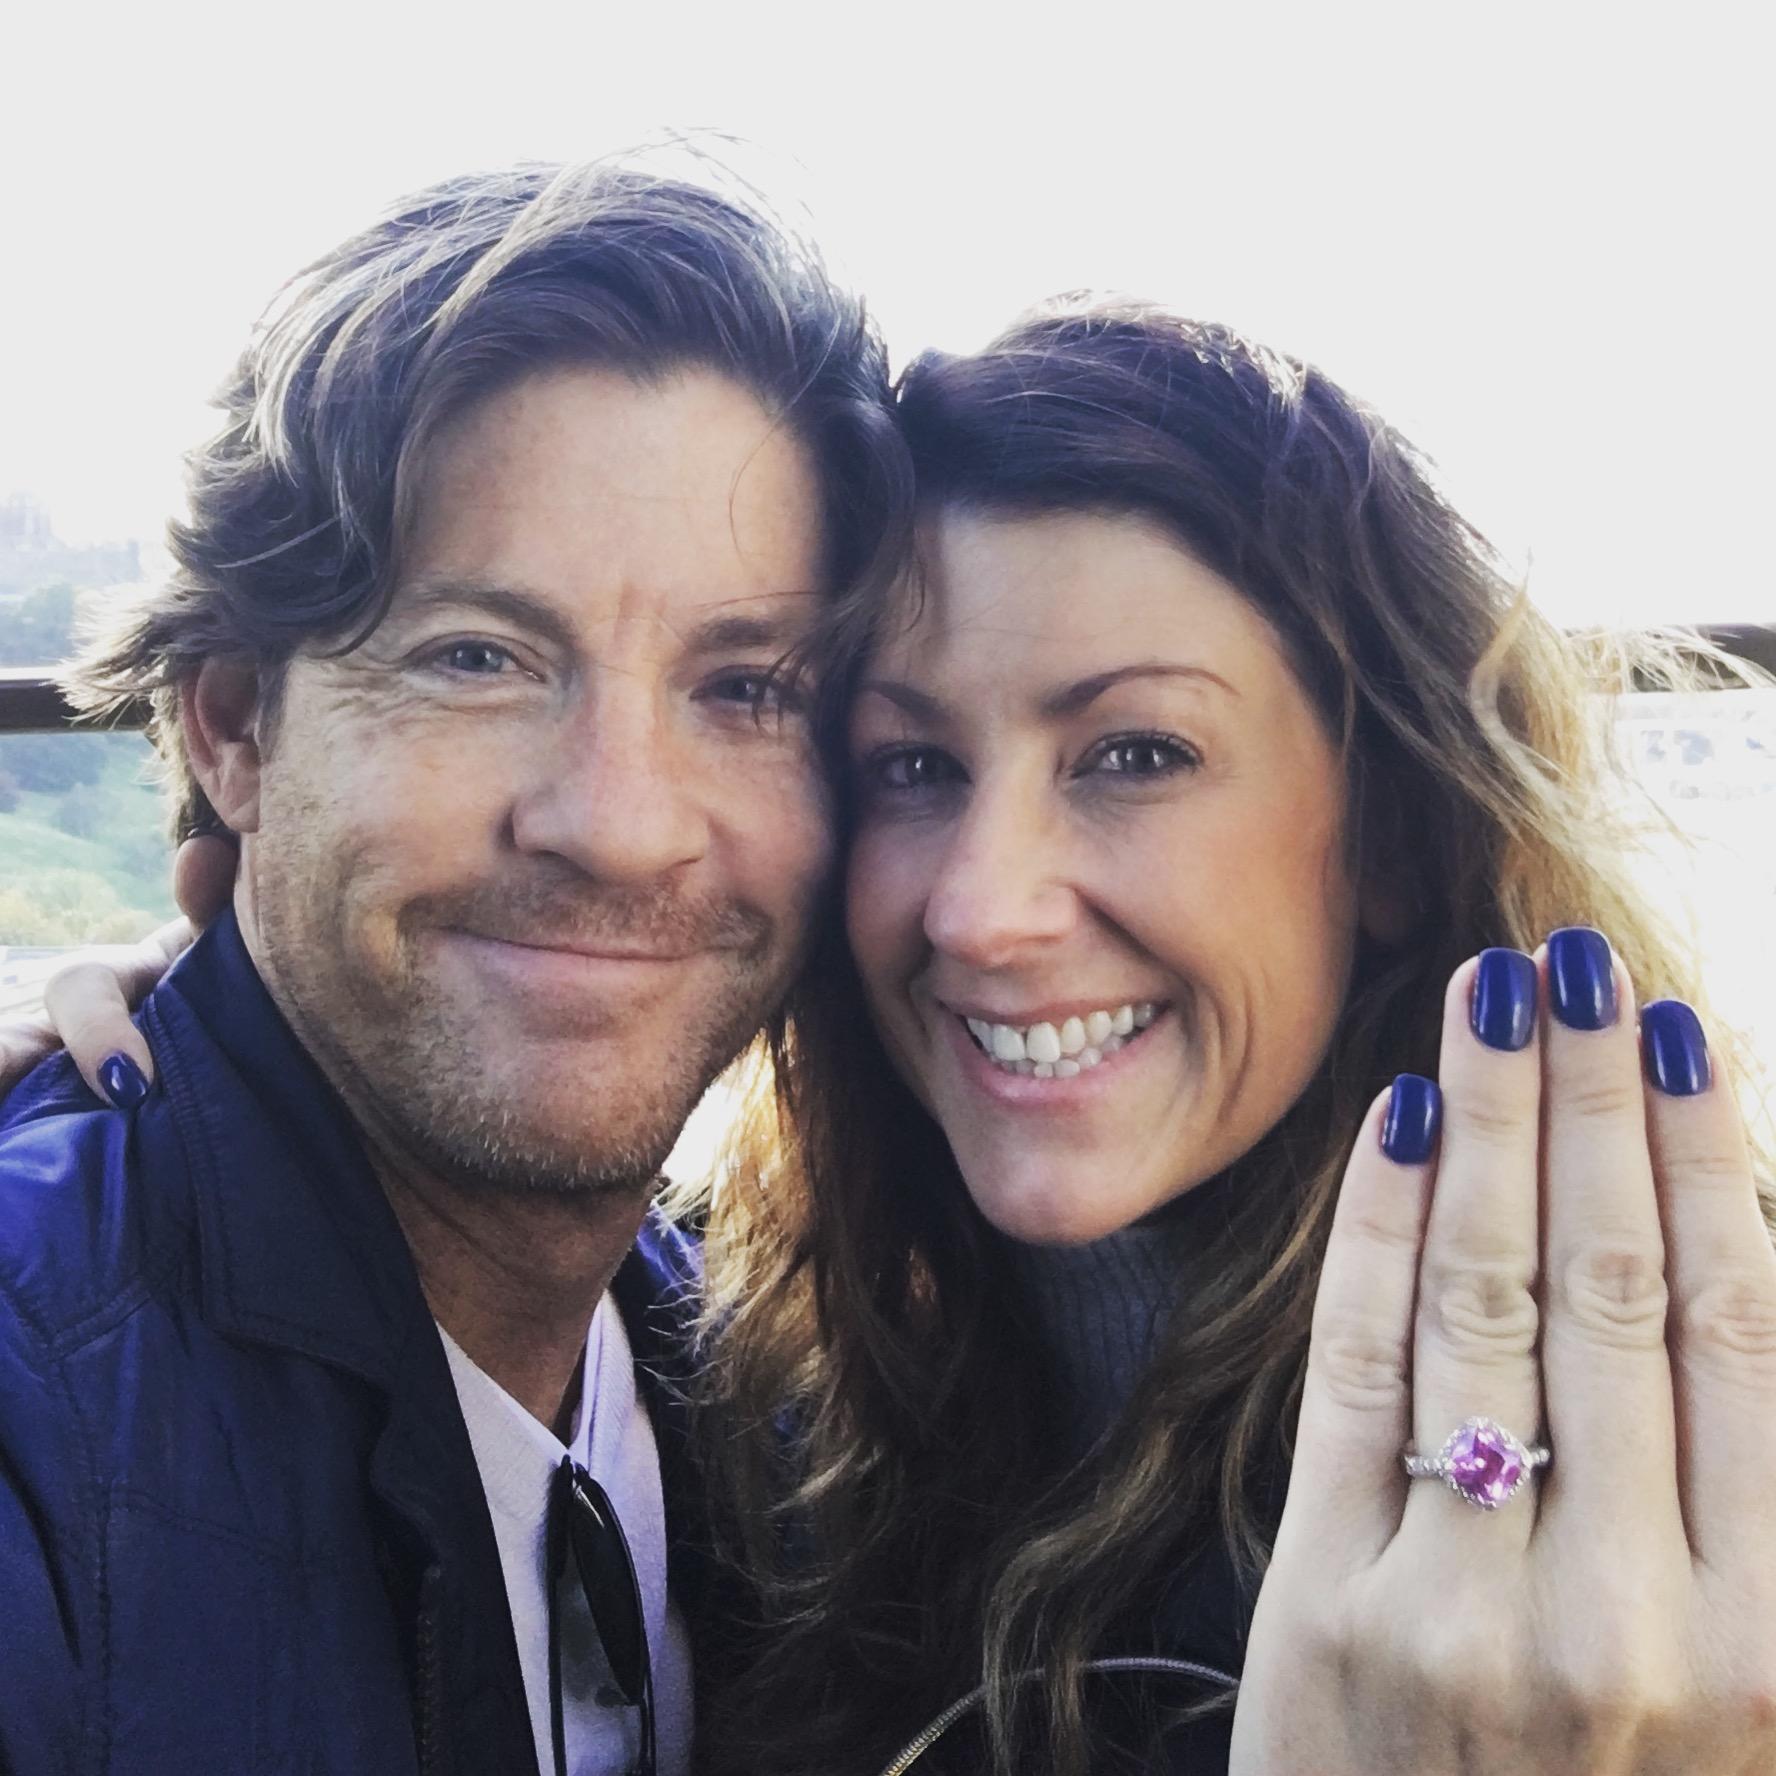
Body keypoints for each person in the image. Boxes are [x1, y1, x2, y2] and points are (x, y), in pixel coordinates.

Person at [12, 304, 1775, 1776]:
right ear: (238, 736)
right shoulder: (792, 1389)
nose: (981, 908)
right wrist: (245, 989)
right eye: (914, 765)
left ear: (1387, 836)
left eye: (1134, 754)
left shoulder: (1662, 1539)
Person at [0, 159, 908, 1776]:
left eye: (749, 686)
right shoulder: (36, 1423)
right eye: (478, 658)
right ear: (232, 727)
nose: (623, 828)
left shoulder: (782, 1404)